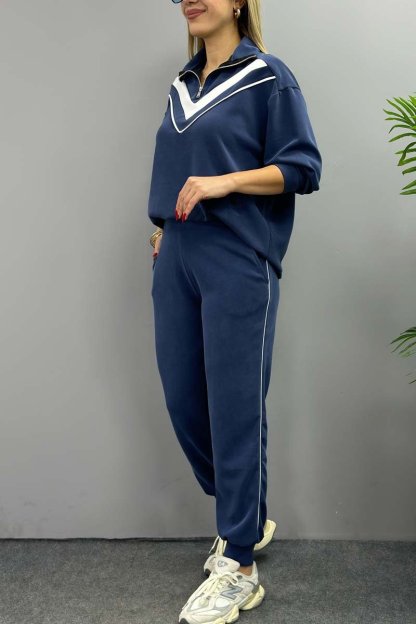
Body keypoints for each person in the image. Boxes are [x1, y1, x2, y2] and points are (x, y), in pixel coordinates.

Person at [147, 1, 322, 622]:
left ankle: (240, 565)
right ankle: (245, 514)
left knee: (235, 407)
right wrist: (163, 227)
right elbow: (173, 167)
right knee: (185, 401)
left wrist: (223, 182)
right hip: (178, 255)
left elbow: (303, 167)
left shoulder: (269, 76)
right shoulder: (181, 84)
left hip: (238, 257)